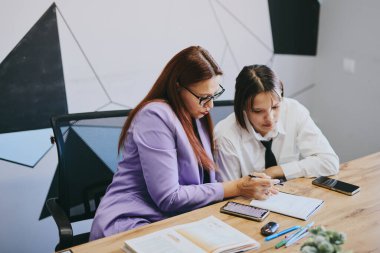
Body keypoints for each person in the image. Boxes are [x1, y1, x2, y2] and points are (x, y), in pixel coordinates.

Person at [89, 47, 278, 240]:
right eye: (204, 98)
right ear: (177, 87)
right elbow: (169, 198)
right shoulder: (154, 115)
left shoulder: (196, 115)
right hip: (130, 223)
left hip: (174, 222)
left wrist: (248, 185)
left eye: (214, 95)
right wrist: (237, 187)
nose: (210, 105)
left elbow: (204, 185)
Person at [214, 65, 339, 181]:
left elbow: (330, 162)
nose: (269, 118)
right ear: (243, 107)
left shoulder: (294, 111)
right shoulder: (225, 136)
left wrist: (275, 171)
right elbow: (227, 194)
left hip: (292, 196)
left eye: (275, 107)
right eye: (258, 111)